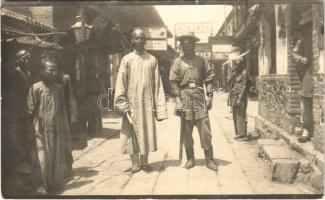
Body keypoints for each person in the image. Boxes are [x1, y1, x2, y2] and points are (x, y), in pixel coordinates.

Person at [114, 28, 168, 173]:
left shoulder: (152, 60)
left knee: (146, 131)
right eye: (136, 38)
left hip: (148, 103)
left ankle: (145, 162)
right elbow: (121, 83)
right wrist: (122, 103)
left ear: (145, 41)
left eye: (142, 38)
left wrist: (160, 109)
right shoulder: (127, 59)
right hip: (132, 103)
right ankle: (135, 163)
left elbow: (158, 84)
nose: (139, 41)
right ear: (132, 40)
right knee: (131, 133)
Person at [169, 32, 218, 171]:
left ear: (194, 45)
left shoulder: (202, 61)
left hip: (199, 96)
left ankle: (209, 159)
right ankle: (190, 158)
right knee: (186, 130)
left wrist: (210, 96)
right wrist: (178, 99)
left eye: (190, 43)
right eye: (184, 44)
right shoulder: (177, 62)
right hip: (184, 96)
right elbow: (173, 82)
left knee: (205, 129)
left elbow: (209, 79)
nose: (187, 46)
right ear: (181, 46)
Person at [27, 60, 72, 193]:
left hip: (57, 128)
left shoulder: (58, 88)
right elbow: (30, 110)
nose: (54, 73)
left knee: (56, 156)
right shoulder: (36, 88)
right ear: (42, 71)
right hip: (40, 129)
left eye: (55, 70)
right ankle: (41, 185)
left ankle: (54, 183)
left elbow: (62, 109)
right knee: (42, 157)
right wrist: (31, 128)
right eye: (50, 70)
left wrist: (65, 127)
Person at [40, 50, 77, 174]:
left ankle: (66, 167)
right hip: (46, 114)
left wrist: (73, 113)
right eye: (47, 58)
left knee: (64, 140)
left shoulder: (64, 77)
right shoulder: (39, 78)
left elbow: (70, 96)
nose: (50, 60)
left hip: (62, 112)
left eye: (52, 58)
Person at [291, 27, 314, 143]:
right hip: (308, 74)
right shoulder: (302, 41)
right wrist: (300, 58)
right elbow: (293, 53)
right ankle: (306, 130)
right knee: (305, 100)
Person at [228, 58, 249, 141]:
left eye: (238, 64)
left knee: (241, 115)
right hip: (234, 96)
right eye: (236, 64)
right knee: (235, 115)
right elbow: (230, 83)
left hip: (241, 97)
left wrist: (240, 98)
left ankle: (243, 134)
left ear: (242, 64)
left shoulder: (244, 73)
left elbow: (244, 86)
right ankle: (238, 133)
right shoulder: (236, 74)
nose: (237, 66)